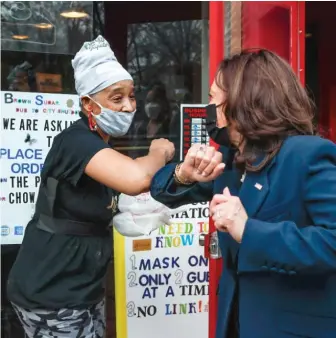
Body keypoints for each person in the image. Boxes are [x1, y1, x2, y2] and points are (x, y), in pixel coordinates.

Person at [150, 49, 336, 338]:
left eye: (213, 97)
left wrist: (248, 230)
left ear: (242, 100)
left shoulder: (306, 154)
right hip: (237, 324)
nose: (208, 107)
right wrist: (183, 174)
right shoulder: (230, 157)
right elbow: (163, 190)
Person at [7, 35, 174, 338]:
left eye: (131, 96)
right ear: (88, 103)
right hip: (51, 293)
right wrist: (159, 152)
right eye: (116, 97)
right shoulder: (76, 142)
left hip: (82, 287)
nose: (128, 107)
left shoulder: (100, 145)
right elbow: (136, 179)